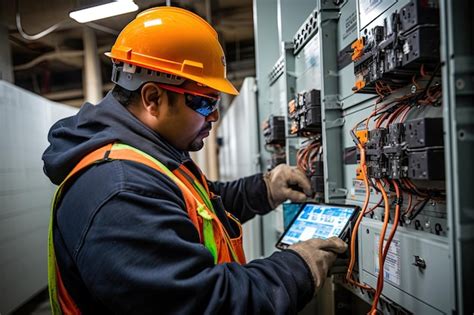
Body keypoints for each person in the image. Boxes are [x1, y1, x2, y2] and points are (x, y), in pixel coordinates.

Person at [42, 6, 347, 315]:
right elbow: (205, 304)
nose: (214, 114)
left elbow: (200, 207)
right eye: (204, 102)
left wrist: (267, 188)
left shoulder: (149, 158)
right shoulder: (119, 191)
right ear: (153, 99)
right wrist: (298, 267)